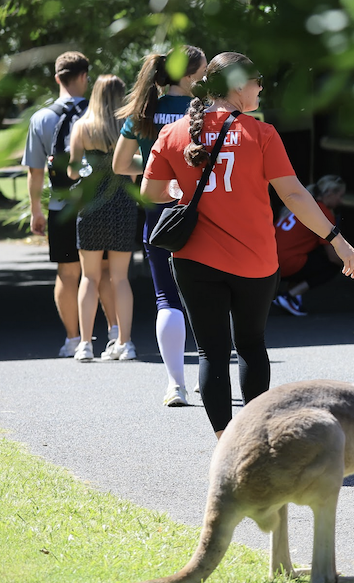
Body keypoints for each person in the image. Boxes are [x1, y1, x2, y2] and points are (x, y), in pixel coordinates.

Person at [141, 52, 354, 439]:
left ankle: (225, 443)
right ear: (238, 85)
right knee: (251, 346)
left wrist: (184, 189)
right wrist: (336, 239)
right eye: (257, 80)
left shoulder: (173, 133)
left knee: (210, 352)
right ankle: (256, 441)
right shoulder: (260, 133)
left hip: (193, 259)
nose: (261, 87)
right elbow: (294, 195)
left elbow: (151, 192)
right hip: (254, 261)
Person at [113, 46, 207, 405]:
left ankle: (175, 385)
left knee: (166, 297)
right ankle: (207, 373)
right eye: (201, 71)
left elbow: (121, 164)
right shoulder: (202, 112)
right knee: (204, 293)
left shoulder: (143, 112)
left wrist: (155, 165)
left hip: (158, 214)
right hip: (199, 209)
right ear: (187, 76)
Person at [21, 51, 117, 357]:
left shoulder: (41, 118)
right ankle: (114, 333)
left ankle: (74, 339)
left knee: (67, 273)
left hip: (62, 206)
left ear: (57, 78)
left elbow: (35, 172)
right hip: (99, 204)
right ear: (84, 77)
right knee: (101, 270)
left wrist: (36, 209)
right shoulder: (100, 114)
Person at [65, 74, 138, 361]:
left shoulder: (82, 127)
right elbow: (133, 171)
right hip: (122, 205)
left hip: (91, 206)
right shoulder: (127, 126)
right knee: (120, 278)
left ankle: (84, 344)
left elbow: (71, 171)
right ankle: (125, 342)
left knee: (90, 277)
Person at [273, 175, 354, 315]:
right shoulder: (322, 211)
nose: (340, 201)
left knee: (311, 253)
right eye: (339, 196)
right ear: (330, 193)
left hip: (271, 262)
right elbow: (333, 257)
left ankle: (291, 297)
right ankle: (289, 296)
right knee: (332, 265)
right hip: (286, 264)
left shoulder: (299, 204)